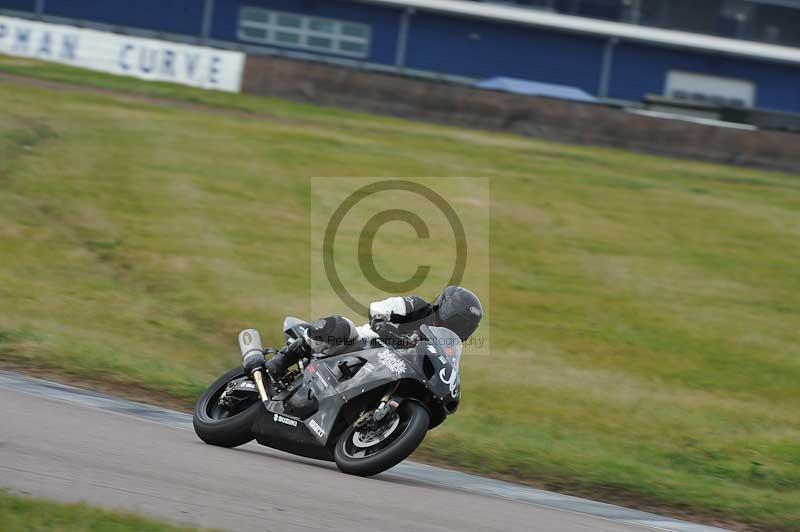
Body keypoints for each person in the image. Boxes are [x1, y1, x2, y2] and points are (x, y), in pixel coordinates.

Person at [249, 286, 482, 380]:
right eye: (460, 322)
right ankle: (281, 361)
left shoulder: (446, 347)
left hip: (386, 373)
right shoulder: (418, 307)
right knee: (341, 326)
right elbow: (381, 308)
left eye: (467, 327)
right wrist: (382, 324)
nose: (462, 329)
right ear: (448, 309)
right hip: (361, 346)